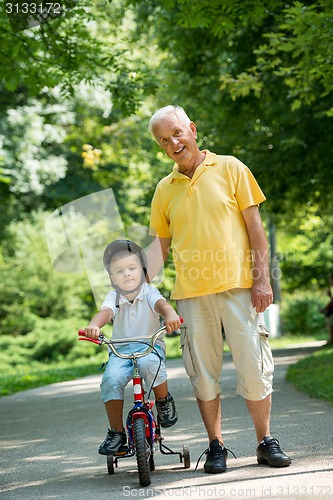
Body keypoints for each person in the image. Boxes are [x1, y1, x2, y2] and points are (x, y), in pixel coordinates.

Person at [147, 105, 291, 473]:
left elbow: (255, 230)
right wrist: (130, 284)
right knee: (203, 373)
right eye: (164, 140)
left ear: (192, 129)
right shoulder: (164, 190)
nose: (173, 143)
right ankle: (216, 445)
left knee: (254, 367)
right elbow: (159, 251)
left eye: (177, 133)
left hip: (240, 288)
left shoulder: (232, 168)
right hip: (192, 295)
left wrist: (262, 279)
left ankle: (265, 440)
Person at [84, 239, 180, 455]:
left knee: (150, 364)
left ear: (142, 270)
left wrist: (170, 314)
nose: (127, 274)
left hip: (149, 345)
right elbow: (105, 312)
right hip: (121, 351)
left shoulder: (149, 292)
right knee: (110, 379)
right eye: (119, 271)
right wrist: (94, 325)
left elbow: (161, 305)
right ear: (112, 278)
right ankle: (116, 432)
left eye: (132, 268)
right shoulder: (114, 297)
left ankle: (163, 400)